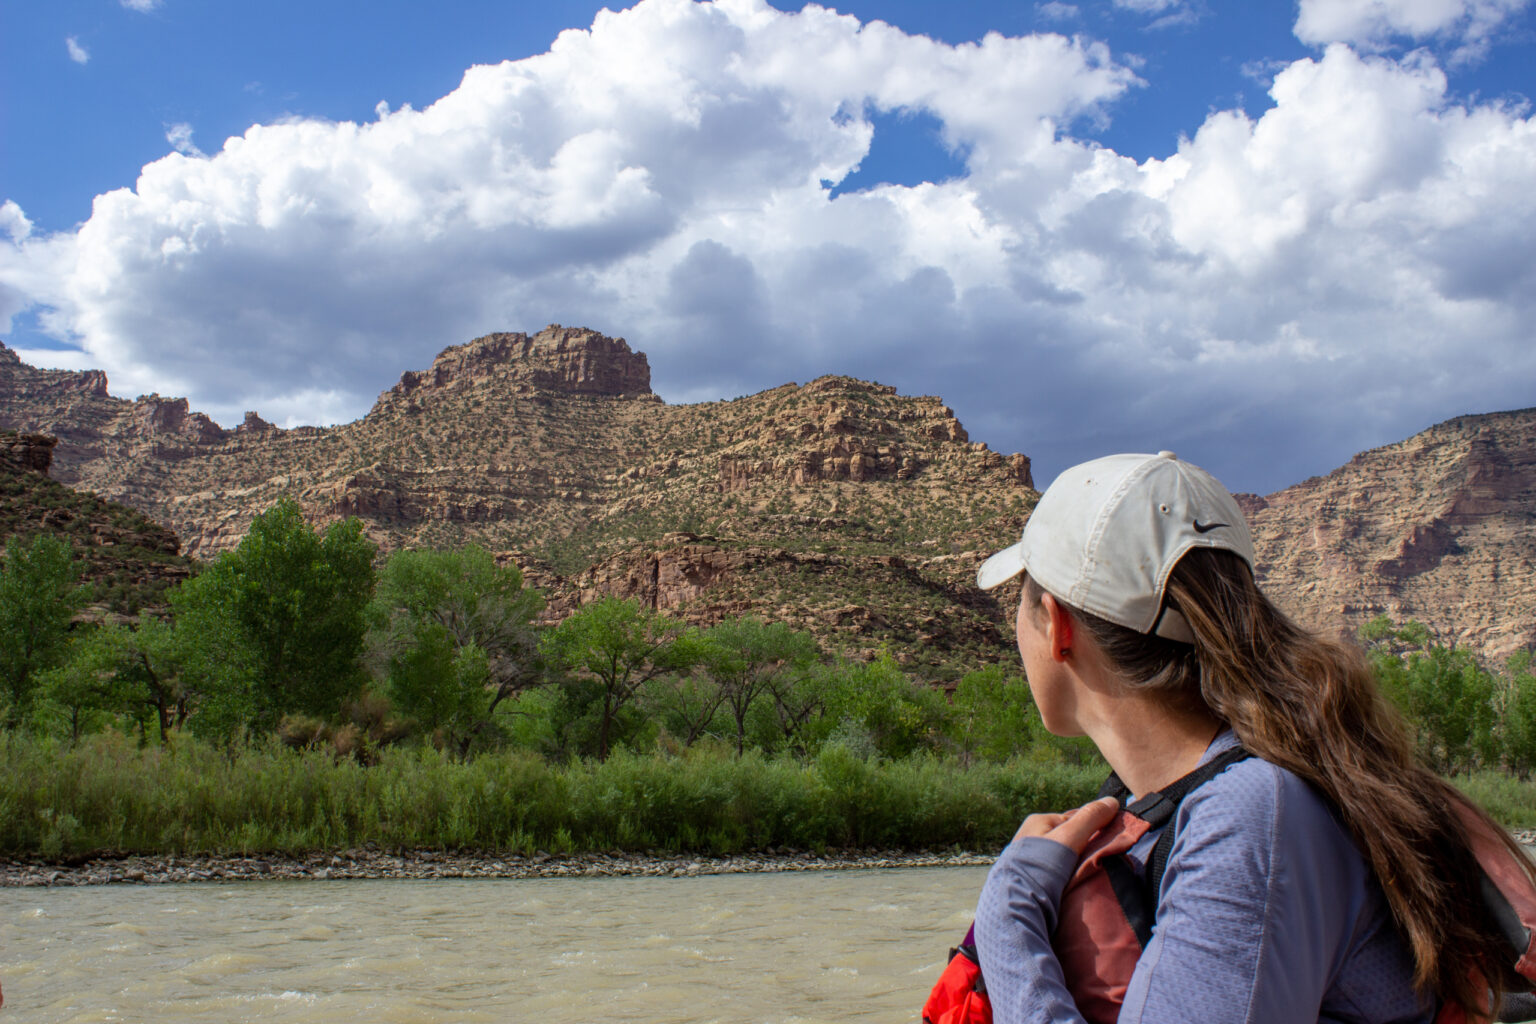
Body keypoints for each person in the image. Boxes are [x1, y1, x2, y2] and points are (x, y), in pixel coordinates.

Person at [968, 451, 1533, 1024]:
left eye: (1018, 599)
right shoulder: (1239, 791)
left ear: (1057, 625)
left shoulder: (1249, 813)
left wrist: (1006, 915)